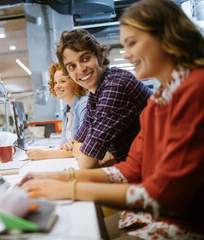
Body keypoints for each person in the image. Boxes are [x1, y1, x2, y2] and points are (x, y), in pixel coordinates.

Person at [20, 0, 204, 239]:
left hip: (184, 220)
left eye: (132, 43)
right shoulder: (159, 99)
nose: (126, 54)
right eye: (71, 66)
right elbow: (131, 168)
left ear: (165, 35)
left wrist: (71, 188)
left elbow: (163, 195)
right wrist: (62, 177)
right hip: (160, 209)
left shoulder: (194, 90)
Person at [56, 29, 151, 169]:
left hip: (154, 172)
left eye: (85, 58)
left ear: (100, 56)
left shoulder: (114, 86)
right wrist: (87, 152)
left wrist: (86, 153)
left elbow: (86, 163)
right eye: (72, 66)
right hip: (134, 170)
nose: (81, 69)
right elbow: (77, 142)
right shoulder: (95, 94)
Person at [26, 62, 88, 160]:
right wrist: (65, 144)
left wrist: (44, 155)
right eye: (55, 82)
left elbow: (84, 149)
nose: (57, 86)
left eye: (62, 81)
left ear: (75, 82)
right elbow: (64, 141)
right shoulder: (66, 110)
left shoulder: (84, 105)